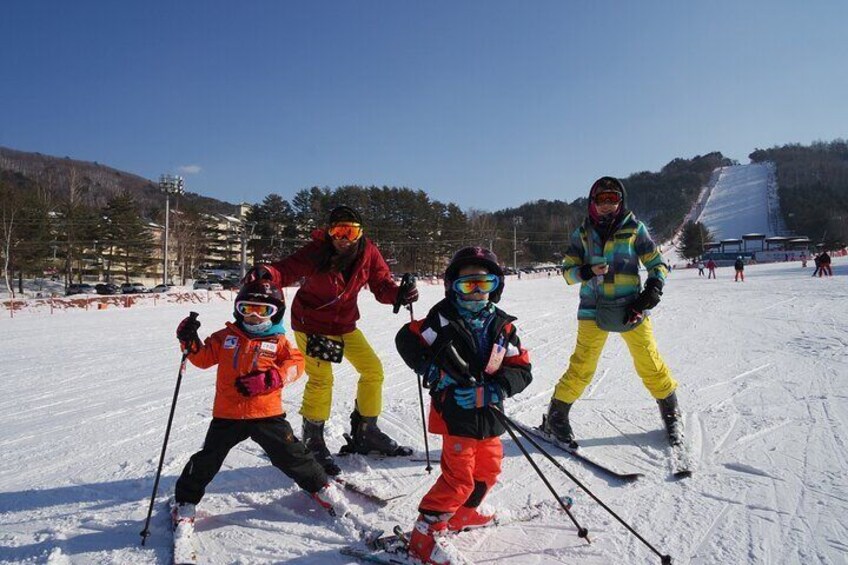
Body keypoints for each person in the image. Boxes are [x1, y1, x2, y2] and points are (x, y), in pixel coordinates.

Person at [246, 206, 419, 475]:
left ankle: (366, 432)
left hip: (344, 324)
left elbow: (381, 283)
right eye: (338, 231)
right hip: (311, 324)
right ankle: (313, 440)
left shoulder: (368, 252)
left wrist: (399, 294)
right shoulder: (316, 251)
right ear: (329, 232)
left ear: (360, 234)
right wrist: (266, 272)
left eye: (351, 231)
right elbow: (286, 270)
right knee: (322, 379)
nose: (344, 238)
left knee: (372, 369)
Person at [170, 280, 350, 525]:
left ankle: (320, 487)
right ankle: (185, 501)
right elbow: (202, 358)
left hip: (266, 414)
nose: (254, 317)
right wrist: (188, 340)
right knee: (207, 459)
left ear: (275, 313)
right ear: (237, 310)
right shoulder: (225, 337)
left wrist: (272, 378)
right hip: (228, 415)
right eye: (247, 309)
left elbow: (297, 365)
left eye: (263, 310)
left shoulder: (278, 342)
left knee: (291, 454)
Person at [395, 247, 532, 565]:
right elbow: (407, 339)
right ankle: (424, 535)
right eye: (467, 285)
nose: (476, 293)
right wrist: (432, 370)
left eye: (483, 284)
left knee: (489, 469)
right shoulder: (440, 321)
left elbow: (522, 369)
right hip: (455, 414)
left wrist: (496, 389)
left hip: (489, 413)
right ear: (451, 286)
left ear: (496, 286)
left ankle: (461, 516)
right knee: (459, 480)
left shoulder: (503, 327)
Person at [542, 177, 683, 450]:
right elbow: (567, 272)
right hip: (592, 309)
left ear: (621, 201)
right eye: (601, 199)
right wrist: (584, 271)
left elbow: (658, 262)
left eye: (613, 199)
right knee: (582, 365)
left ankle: (671, 412)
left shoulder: (634, 228)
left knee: (649, 361)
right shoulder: (582, 234)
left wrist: (654, 287)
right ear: (592, 202)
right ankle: (556, 416)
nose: (607, 204)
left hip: (631, 307)